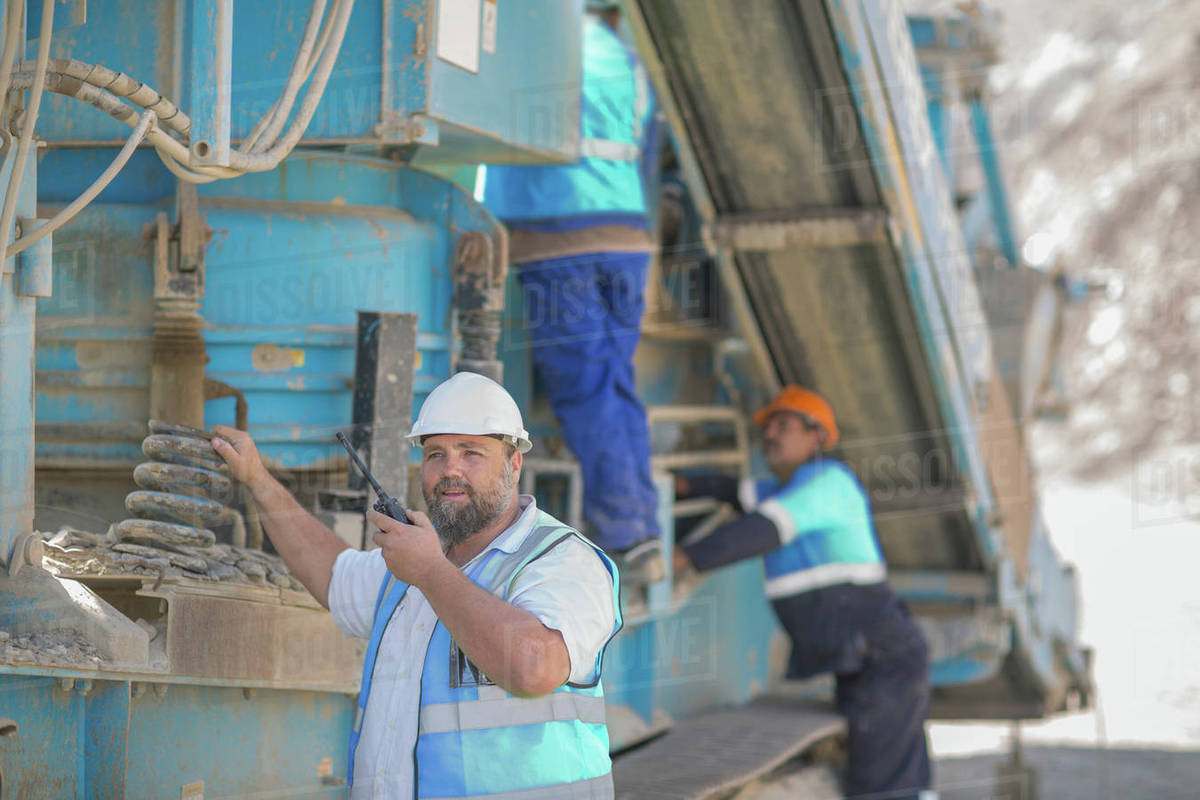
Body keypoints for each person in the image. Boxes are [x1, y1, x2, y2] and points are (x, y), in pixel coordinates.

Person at [212, 371, 622, 799]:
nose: (451, 471)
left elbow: (534, 669)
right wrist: (257, 479)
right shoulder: (414, 562)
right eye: (435, 455)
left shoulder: (561, 560)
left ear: (514, 463)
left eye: (471, 453)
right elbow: (332, 575)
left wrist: (430, 572)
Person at [673, 386, 933, 800]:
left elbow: (762, 529)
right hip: (864, 663)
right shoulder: (782, 490)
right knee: (897, 778)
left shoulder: (829, 483)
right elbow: (729, 490)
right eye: (769, 427)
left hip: (884, 661)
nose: (771, 435)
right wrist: (681, 485)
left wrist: (684, 556)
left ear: (817, 437)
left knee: (881, 787)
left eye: (784, 425)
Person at [482, 0, 663, 582]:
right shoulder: (626, 56)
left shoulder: (530, 36)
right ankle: (642, 528)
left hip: (559, 237)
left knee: (586, 390)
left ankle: (626, 536)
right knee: (614, 385)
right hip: (626, 237)